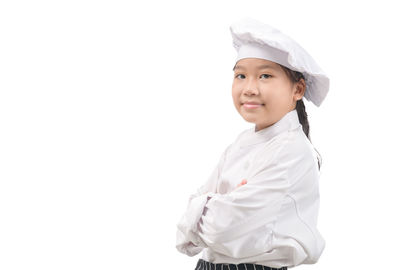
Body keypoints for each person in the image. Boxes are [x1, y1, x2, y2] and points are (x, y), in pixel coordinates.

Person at [176, 17, 329, 270]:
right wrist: (216, 204)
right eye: (241, 75)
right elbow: (191, 220)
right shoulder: (241, 143)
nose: (249, 88)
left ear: (298, 89)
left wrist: (209, 204)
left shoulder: (291, 151)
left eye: (265, 75)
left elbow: (222, 228)